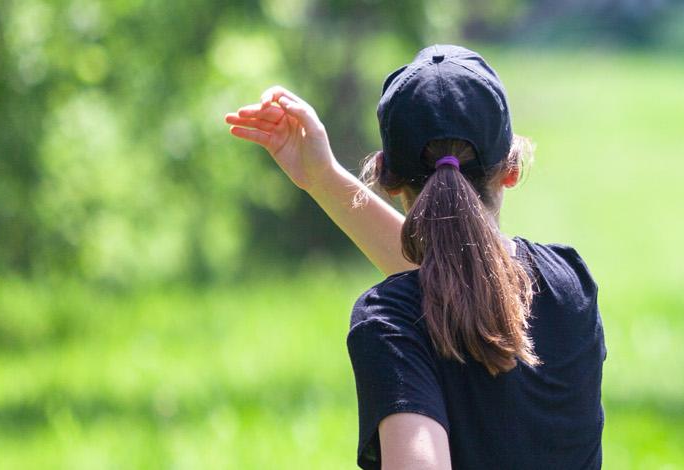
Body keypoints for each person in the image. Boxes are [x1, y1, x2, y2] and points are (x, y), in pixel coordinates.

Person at [223, 44, 604, 470]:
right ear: (511, 169)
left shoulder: (391, 321)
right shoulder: (570, 285)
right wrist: (322, 177)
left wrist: (324, 176)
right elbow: (456, 279)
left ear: (387, 177)